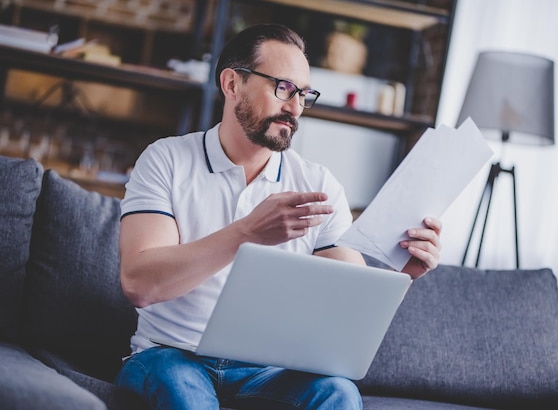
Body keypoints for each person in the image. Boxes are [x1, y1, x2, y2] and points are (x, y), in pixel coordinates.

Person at [115, 23, 442, 410]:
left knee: (338, 392)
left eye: (303, 94)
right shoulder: (166, 160)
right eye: (283, 88)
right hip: (169, 355)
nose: (294, 107)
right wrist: (246, 233)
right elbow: (139, 284)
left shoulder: (317, 183)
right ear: (232, 84)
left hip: (267, 370)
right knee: (182, 392)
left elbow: (349, 296)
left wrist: (402, 275)